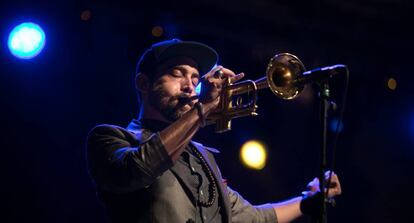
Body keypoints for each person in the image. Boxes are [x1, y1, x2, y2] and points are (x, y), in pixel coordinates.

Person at [86, 39, 342, 223]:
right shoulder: (111, 138)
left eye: (196, 79)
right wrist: (204, 109)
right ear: (143, 83)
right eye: (177, 74)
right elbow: (140, 168)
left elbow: (254, 217)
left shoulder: (203, 157)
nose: (190, 87)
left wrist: (309, 201)